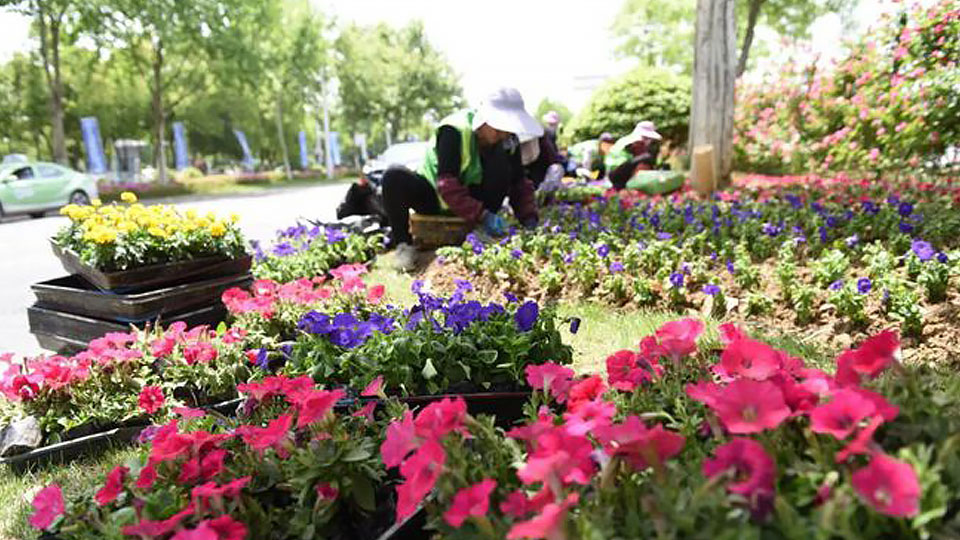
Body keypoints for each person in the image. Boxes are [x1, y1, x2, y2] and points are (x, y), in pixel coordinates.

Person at [381, 87, 543, 271]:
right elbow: (446, 184)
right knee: (393, 177)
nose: (503, 134)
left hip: (475, 201)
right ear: (485, 119)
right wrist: (482, 215)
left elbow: (519, 183)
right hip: (434, 197)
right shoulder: (454, 130)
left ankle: (480, 231)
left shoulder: (507, 141)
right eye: (499, 127)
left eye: (507, 129)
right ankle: (404, 246)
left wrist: (529, 219)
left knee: (502, 159)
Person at [605, 121, 663, 190]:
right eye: (648, 139)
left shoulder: (625, 139)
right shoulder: (636, 142)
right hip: (616, 175)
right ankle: (636, 189)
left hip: (612, 174)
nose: (649, 142)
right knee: (645, 160)